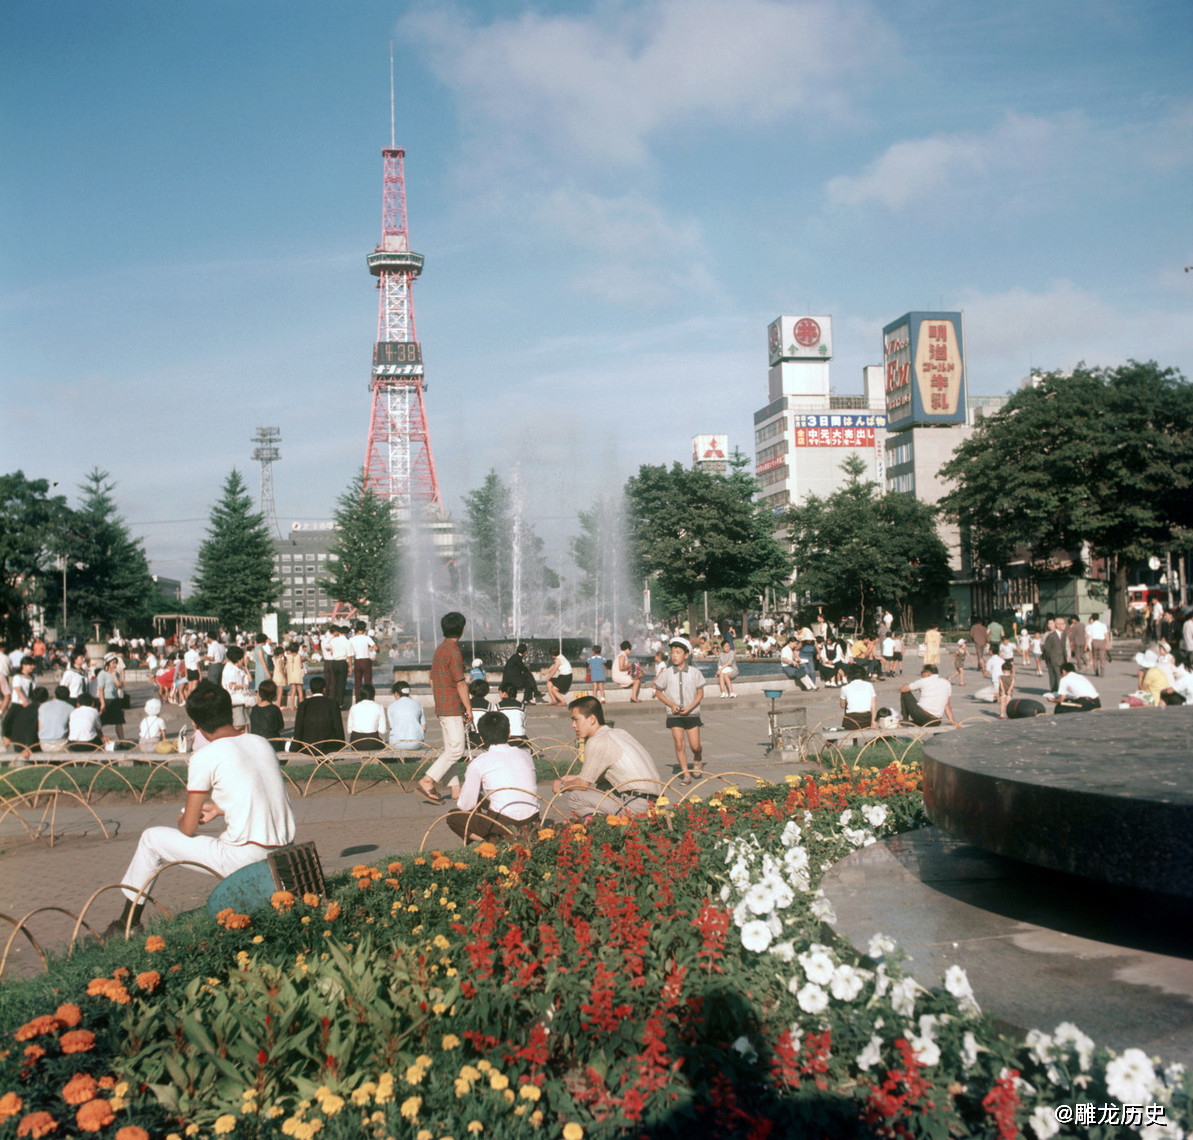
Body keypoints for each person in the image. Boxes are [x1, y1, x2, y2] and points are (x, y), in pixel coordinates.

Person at [105, 681, 295, 938]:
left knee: (151, 839)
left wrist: (185, 817)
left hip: (245, 858)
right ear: (230, 711)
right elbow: (260, 793)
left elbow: (189, 828)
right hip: (285, 852)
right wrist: (218, 808)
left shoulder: (205, 756)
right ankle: (125, 925)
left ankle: (126, 925)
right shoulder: (260, 743)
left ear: (197, 726)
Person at [553, 695, 664, 816]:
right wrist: (577, 777)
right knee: (603, 786)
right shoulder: (619, 732)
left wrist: (562, 785)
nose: (573, 725)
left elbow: (583, 785)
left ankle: (604, 827)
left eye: (576, 719)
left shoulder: (597, 741)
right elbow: (595, 776)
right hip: (658, 801)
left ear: (591, 719)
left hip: (638, 805)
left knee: (576, 797)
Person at [448, 712, 539, 842]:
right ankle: (511, 838)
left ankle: (492, 840)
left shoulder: (479, 762)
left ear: (481, 739)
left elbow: (465, 805)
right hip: (532, 823)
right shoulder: (525, 755)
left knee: (453, 817)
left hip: (502, 824)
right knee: (482, 798)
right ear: (508, 733)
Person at [418, 611, 471, 804]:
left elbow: (432, 680)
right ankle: (427, 780)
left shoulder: (440, 649)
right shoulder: (454, 652)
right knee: (457, 750)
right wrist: (468, 708)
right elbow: (460, 683)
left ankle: (455, 789)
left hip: (442, 705)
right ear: (462, 630)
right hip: (451, 706)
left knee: (450, 748)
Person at [653, 637, 705, 783]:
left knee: (695, 746)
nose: (674, 655)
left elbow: (700, 693)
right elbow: (658, 691)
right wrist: (671, 704)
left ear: (686, 655)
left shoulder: (695, 673)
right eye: (672, 652)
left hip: (692, 713)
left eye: (678, 652)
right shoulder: (666, 673)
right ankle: (686, 774)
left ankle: (697, 757)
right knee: (679, 743)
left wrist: (690, 707)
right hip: (674, 715)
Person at [291, 676, 345, 756]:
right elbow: (338, 727)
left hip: (307, 747)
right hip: (329, 747)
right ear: (324, 689)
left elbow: (298, 729)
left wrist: (295, 747)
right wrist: (341, 746)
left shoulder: (303, 704)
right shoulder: (332, 704)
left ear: (311, 689)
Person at [346, 682, 387, 750]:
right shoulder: (379, 707)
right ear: (373, 694)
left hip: (355, 743)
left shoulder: (354, 707)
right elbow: (382, 730)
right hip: (372, 742)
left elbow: (349, 730)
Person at [387, 681, 427, 750]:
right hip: (416, 743)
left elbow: (392, 727)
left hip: (396, 743)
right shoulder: (418, 705)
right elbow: (424, 728)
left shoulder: (391, 707)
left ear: (396, 694)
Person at [221, 646, 253, 729]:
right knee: (239, 725)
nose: (244, 660)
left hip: (241, 699)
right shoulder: (230, 670)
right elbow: (231, 686)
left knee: (246, 723)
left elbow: (249, 680)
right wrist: (243, 686)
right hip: (236, 700)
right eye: (242, 658)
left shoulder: (238, 668)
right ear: (238, 659)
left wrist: (246, 667)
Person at [249, 679, 285, 749]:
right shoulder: (275, 709)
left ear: (259, 693)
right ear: (274, 694)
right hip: (272, 744)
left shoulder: (254, 709)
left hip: (256, 743)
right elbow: (281, 727)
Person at [38, 685, 74, 754]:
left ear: (54, 695)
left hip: (43, 743)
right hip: (61, 744)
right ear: (68, 697)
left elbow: (40, 727)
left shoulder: (42, 706)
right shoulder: (70, 708)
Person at [97, 655, 126, 741]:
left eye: (116, 663)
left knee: (119, 722)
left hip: (115, 699)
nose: (115, 665)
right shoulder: (102, 674)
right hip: (106, 699)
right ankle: (100, 739)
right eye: (113, 663)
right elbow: (101, 689)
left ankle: (122, 742)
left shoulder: (116, 673)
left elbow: (120, 686)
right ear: (108, 664)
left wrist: (114, 676)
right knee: (101, 722)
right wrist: (102, 703)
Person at [839, 664, 877, 730]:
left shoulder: (845, 688)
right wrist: (873, 720)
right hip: (866, 719)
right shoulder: (869, 685)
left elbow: (842, 705)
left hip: (852, 721)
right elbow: (873, 705)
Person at [349, 622, 377, 698]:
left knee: (358, 682)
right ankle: (369, 697)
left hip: (357, 661)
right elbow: (376, 647)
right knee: (368, 681)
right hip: (366, 660)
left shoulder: (352, 639)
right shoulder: (367, 638)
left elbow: (351, 654)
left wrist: (350, 666)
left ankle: (358, 698)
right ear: (365, 629)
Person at [328, 625, 352, 707]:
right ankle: (340, 703)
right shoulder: (347, 642)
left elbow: (330, 650)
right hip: (342, 663)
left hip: (334, 662)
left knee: (335, 682)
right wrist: (350, 667)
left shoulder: (334, 640)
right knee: (341, 684)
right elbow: (349, 656)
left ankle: (334, 701)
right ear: (347, 633)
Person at [1042, 618, 1067, 692]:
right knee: (1056, 676)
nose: (1065, 625)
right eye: (1063, 624)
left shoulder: (1064, 635)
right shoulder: (1051, 636)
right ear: (1058, 625)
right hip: (1054, 659)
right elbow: (1047, 649)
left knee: (1060, 676)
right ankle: (1057, 692)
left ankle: (1059, 691)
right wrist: (1049, 660)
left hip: (1062, 659)